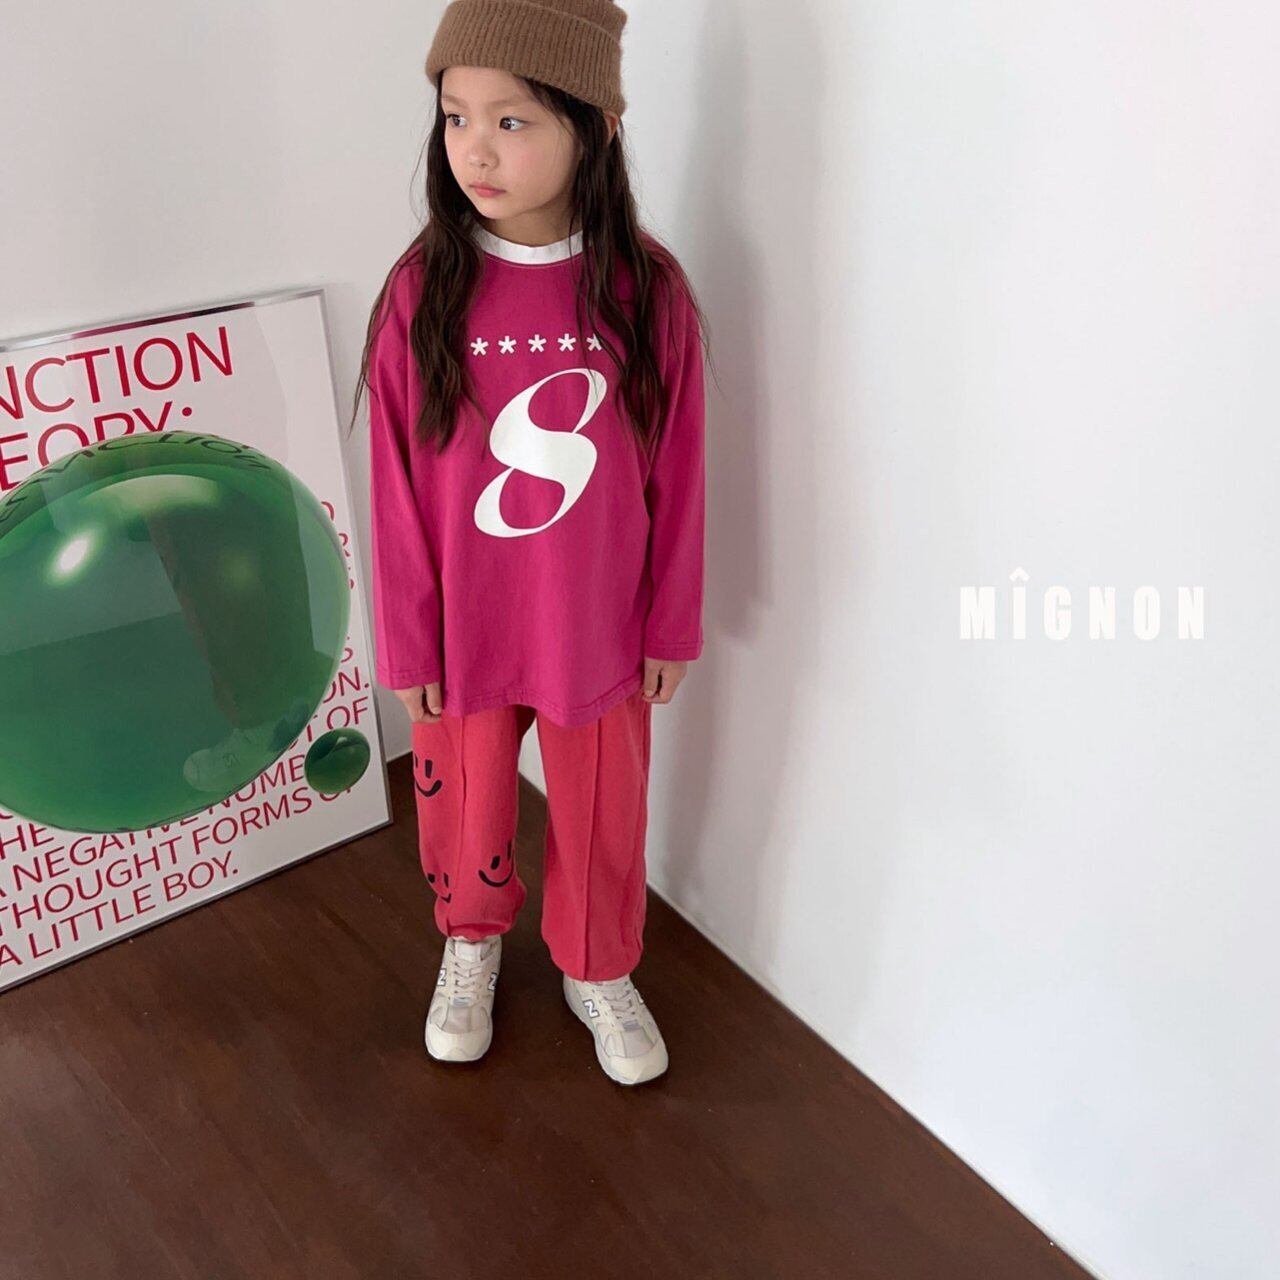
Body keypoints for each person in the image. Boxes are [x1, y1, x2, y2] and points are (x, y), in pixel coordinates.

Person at [355, 0, 708, 1086]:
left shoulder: (647, 291)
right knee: (464, 803)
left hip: (592, 620)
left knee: (602, 807)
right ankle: (470, 939)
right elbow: (396, 487)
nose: (475, 149)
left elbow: (678, 472)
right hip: (464, 624)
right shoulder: (421, 290)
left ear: (593, 127)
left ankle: (598, 963)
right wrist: (408, 642)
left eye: (511, 121)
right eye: (456, 116)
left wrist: (669, 623)